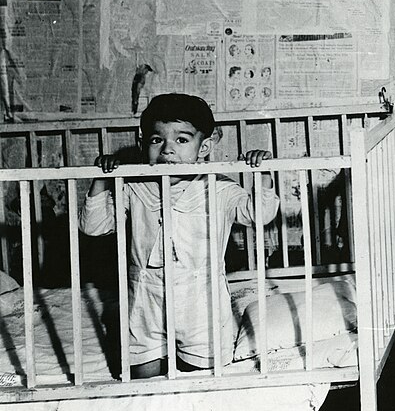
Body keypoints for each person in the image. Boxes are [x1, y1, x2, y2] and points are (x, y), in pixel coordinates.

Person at [81, 94, 279, 379]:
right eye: (156, 140)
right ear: (143, 144)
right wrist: (101, 178)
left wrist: (263, 174)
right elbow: (93, 226)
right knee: (143, 379)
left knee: (201, 377)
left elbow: (258, 214)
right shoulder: (134, 186)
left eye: (182, 140)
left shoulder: (218, 185)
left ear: (205, 146)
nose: (167, 150)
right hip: (144, 297)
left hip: (202, 298)